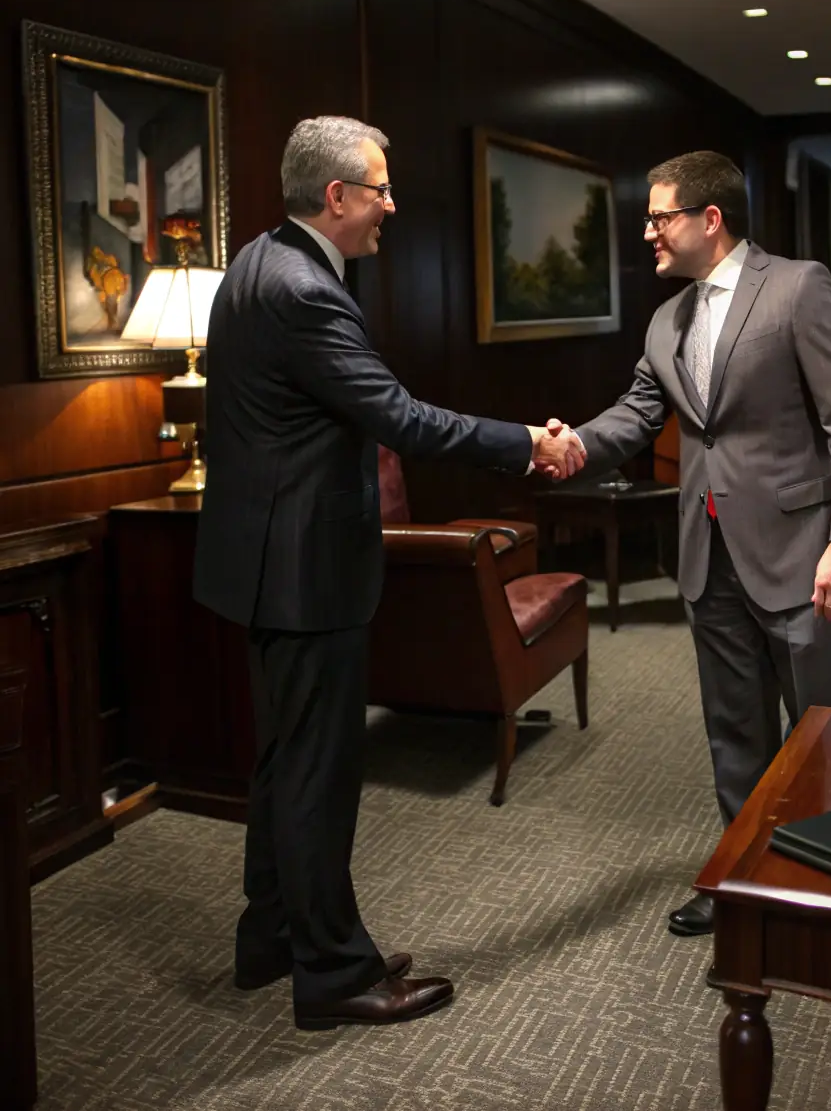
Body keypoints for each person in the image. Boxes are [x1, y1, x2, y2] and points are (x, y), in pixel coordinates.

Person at [193, 115, 583, 1030]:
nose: (389, 208)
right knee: (321, 772)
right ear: (336, 198)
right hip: (305, 571)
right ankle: (334, 974)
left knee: (283, 761)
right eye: (380, 190)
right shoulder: (309, 291)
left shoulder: (253, 262)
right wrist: (526, 442)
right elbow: (402, 419)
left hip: (261, 564)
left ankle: (272, 938)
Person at [550, 150, 831, 939]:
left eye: (659, 217)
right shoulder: (668, 320)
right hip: (708, 552)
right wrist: (566, 445)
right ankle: (743, 872)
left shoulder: (798, 287)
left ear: (710, 218)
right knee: (733, 729)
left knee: (821, 721)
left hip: (803, 549)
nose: (647, 234)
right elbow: (636, 414)